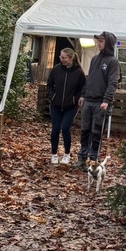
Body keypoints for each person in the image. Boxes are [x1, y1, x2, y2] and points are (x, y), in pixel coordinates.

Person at [77, 31, 121, 166]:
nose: (98, 44)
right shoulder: (94, 59)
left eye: (101, 41)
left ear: (108, 43)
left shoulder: (113, 62)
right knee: (84, 130)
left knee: (96, 132)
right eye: (98, 41)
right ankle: (82, 157)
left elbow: (113, 83)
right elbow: (89, 78)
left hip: (100, 102)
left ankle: (93, 159)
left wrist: (106, 100)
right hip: (88, 100)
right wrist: (83, 94)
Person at [47, 47, 86, 165]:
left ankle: (67, 154)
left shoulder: (79, 72)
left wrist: (77, 98)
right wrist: (53, 96)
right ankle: (54, 154)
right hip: (56, 105)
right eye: (61, 57)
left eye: (64, 58)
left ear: (71, 58)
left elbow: (83, 88)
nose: (62, 59)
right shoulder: (56, 69)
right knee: (55, 129)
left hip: (71, 106)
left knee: (65, 128)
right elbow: (49, 84)